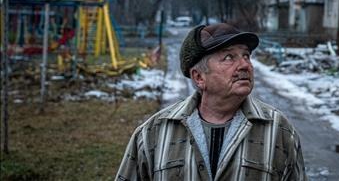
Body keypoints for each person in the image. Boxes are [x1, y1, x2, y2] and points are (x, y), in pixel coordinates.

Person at [116, 23, 307, 180]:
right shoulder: (153, 133)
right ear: (199, 77)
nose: (245, 65)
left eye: (246, 55)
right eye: (229, 57)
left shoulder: (279, 131)